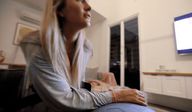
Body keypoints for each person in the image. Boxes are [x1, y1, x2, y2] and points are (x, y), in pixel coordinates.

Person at [20, 0, 154, 112]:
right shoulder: (36, 43)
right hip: (51, 106)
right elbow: (66, 99)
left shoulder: (85, 48)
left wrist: (93, 84)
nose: (89, 6)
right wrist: (116, 95)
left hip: (77, 101)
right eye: (80, 0)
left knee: (138, 98)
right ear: (60, 10)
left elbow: (72, 85)